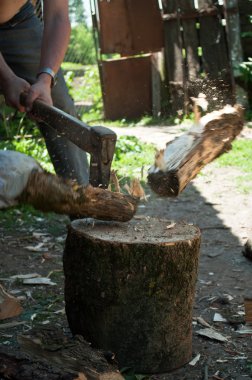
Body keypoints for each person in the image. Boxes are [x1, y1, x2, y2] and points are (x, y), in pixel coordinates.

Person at [0, 0, 89, 186]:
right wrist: (7, 79)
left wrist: (45, 80)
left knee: (58, 107)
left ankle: (81, 200)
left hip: (19, 20)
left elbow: (57, 17)